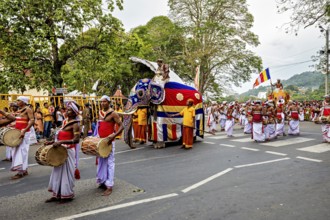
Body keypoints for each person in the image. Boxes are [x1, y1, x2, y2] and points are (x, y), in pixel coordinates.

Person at [45, 101, 80, 203]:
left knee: (66, 174)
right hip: (60, 150)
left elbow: (76, 140)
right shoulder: (65, 122)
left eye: (69, 110)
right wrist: (53, 141)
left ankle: (67, 195)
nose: (66, 111)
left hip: (68, 151)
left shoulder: (75, 125)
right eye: (66, 109)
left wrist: (61, 142)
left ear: (74, 113)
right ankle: (56, 194)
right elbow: (60, 135)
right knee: (57, 173)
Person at [95, 95, 123, 196]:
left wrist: (114, 135)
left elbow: (122, 125)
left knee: (110, 163)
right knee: (101, 161)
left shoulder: (113, 113)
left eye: (104, 102)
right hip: (101, 141)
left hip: (110, 142)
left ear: (109, 102)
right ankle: (103, 181)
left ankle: (109, 186)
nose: (102, 103)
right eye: (101, 102)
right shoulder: (100, 112)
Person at [0, 96, 34, 179]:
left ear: (23, 101)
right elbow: (18, 121)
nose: (17, 102)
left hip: (23, 133)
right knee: (16, 151)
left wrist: (24, 130)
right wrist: (12, 125)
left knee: (21, 152)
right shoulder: (19, 110)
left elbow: (32, 120)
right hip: (17, 132)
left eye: (19, 100)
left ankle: (20, 172)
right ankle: (24, 170)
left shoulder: (28, 109)